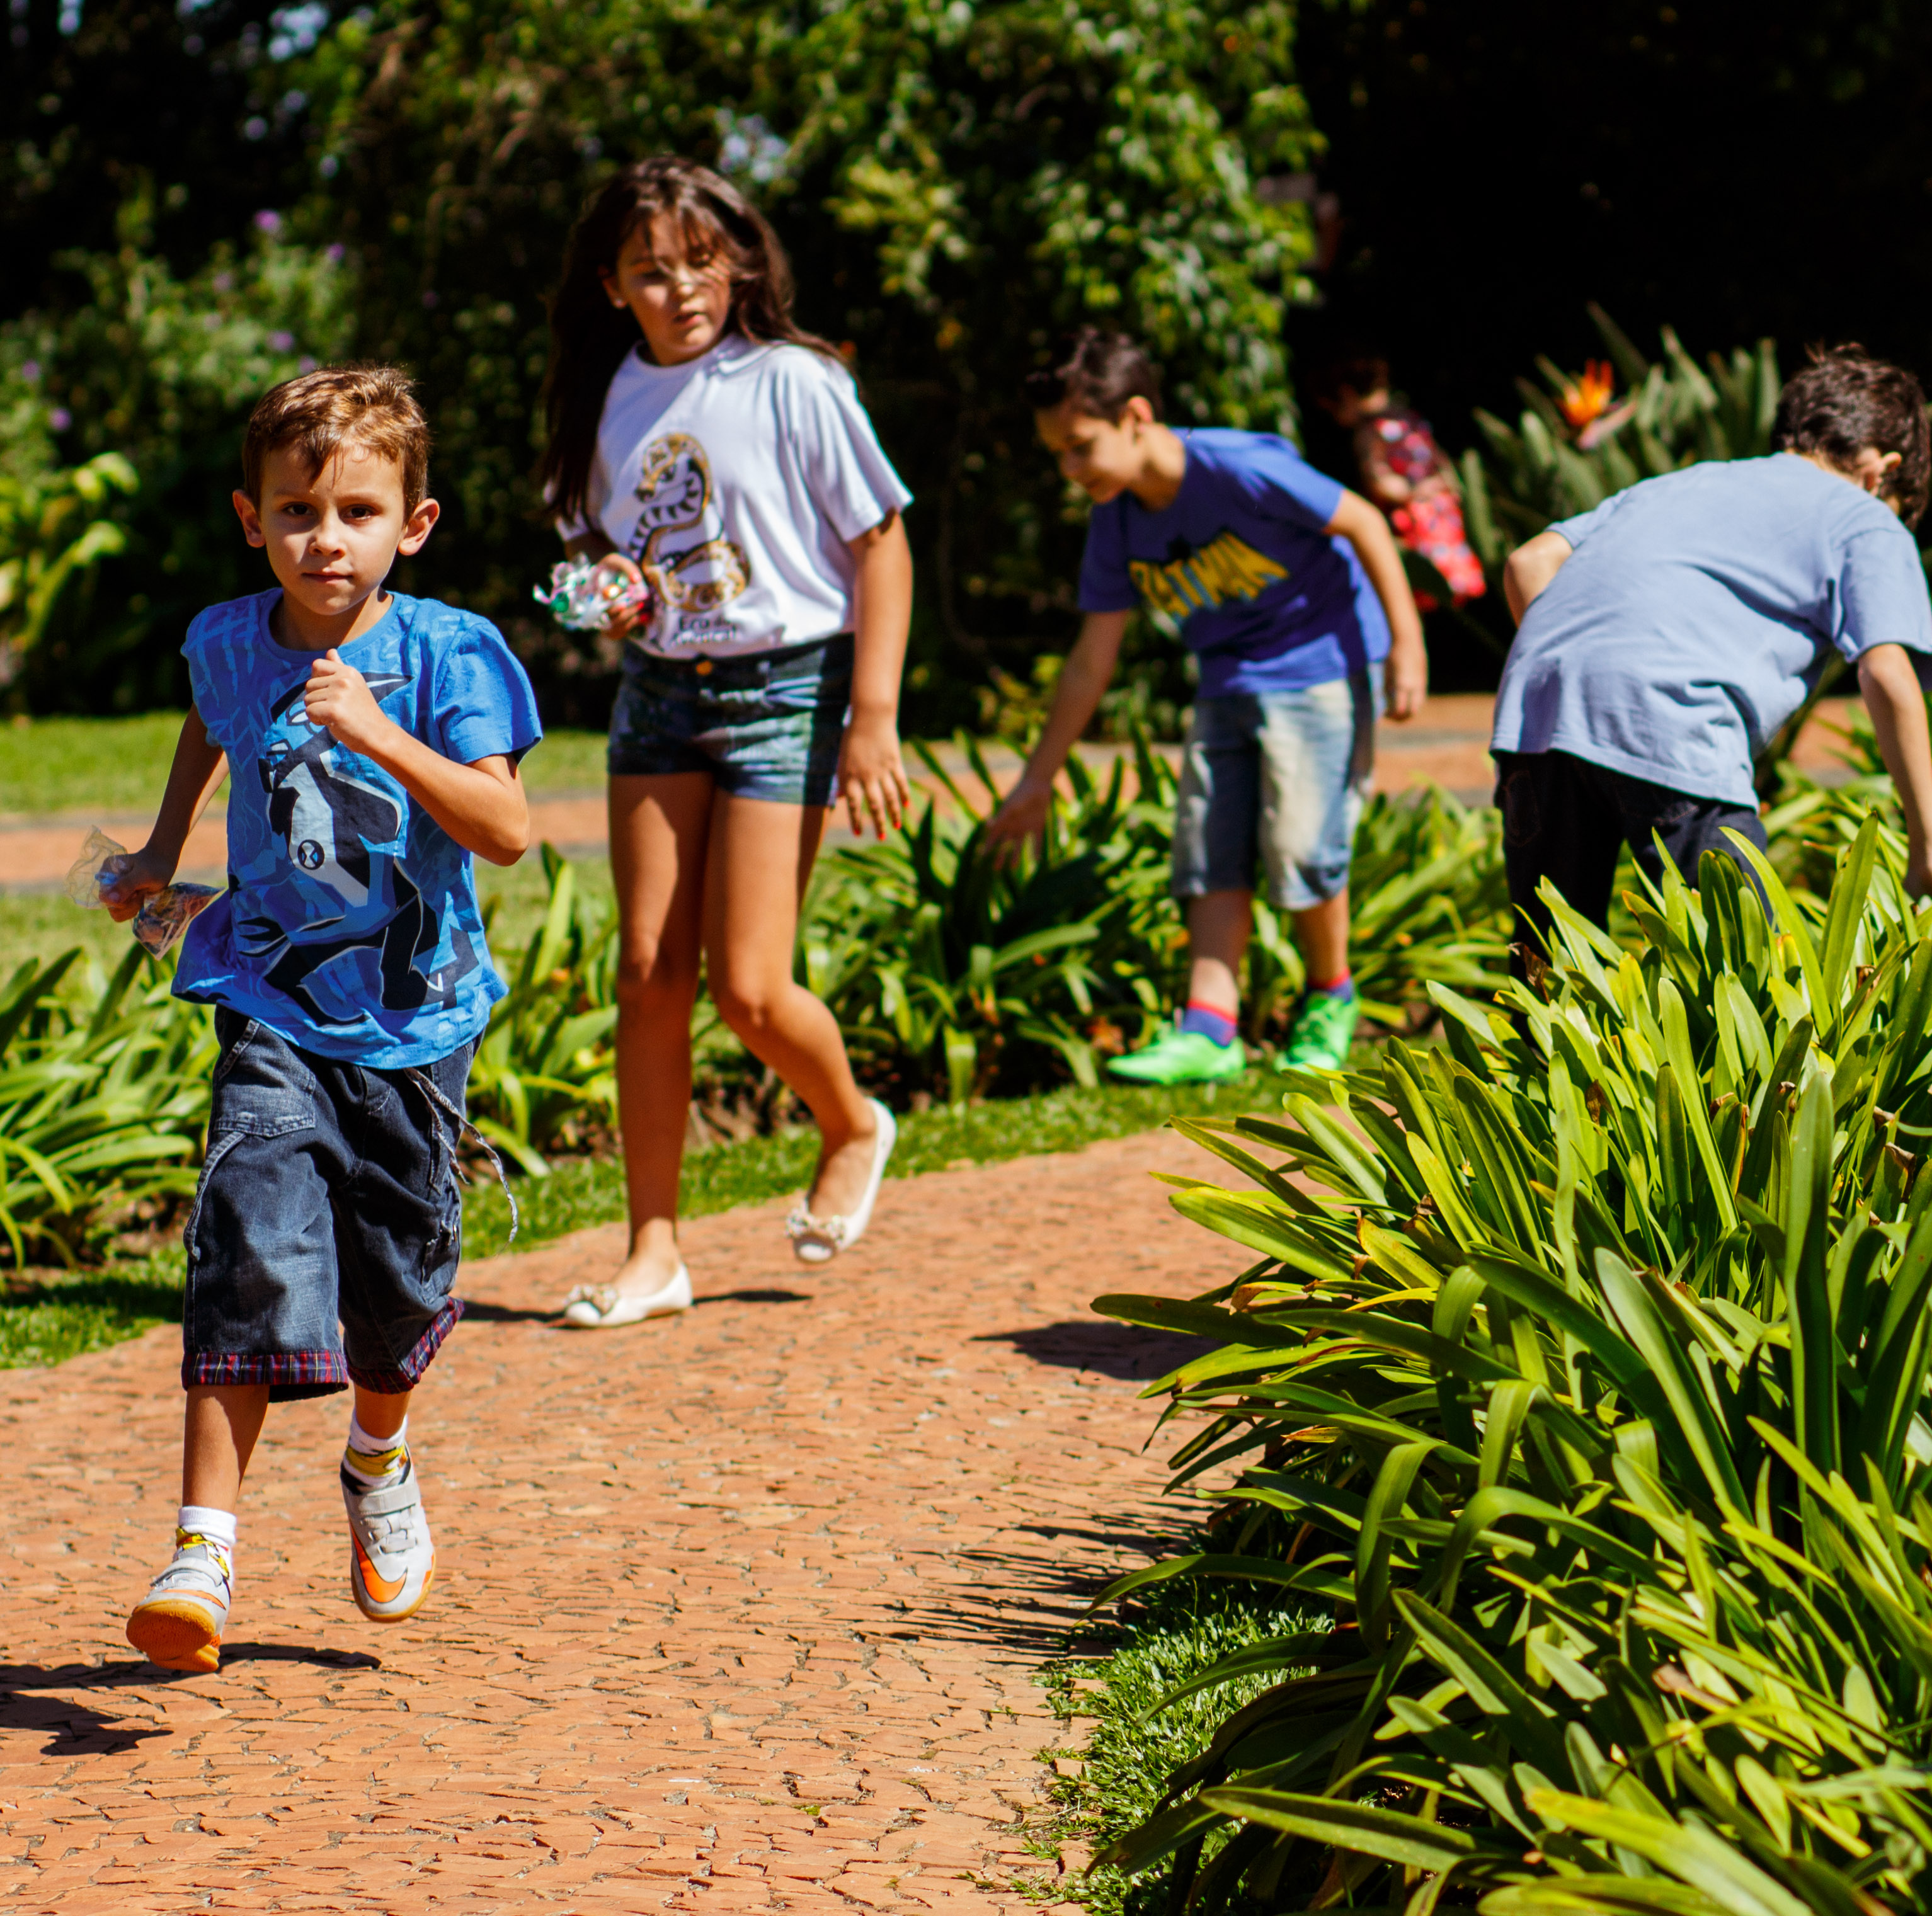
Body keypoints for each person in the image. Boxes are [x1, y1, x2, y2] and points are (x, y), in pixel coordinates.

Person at [105, 364, 540, 1671]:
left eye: (358, 511)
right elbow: (210, 720)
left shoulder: (451, 652)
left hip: (416, 1023)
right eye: (297, 511)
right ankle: (202, 1554)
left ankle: (378, 1455)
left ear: (415, 523)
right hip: (273, 999)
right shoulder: (230, 638)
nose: (326, 539)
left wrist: (377, 733)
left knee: (398, 1293)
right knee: (244, 1232)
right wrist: (164, 847)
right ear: (253, 520)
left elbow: (506, 829)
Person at [538, 156, 917, 1329]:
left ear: (740, 262)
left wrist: (873, 718)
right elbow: (598, 546)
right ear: (613, 286)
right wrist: (607, 590)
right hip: (658, 691)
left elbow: (881, 543)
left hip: (788, 689)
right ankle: (654, 1251)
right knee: (647, 973)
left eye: (702, 262)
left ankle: (851, 1122)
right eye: (651, 271)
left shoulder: (794, 379)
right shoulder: (605, 396)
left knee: (750, 989)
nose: (682, 290)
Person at [990, 328, 1429, 1083]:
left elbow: (1362, 520)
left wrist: (1407, 647)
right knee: (1210, 846)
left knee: (1301, 843)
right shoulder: (1116, 519)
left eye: (1080, 447)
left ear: (1135, 416)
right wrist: (1037, 780)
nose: (1069, 469)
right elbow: (1091, 660)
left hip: (1318, 662)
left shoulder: (1237, 467)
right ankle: (1209, 1029)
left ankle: (1331, 997)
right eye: (1058, 452)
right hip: (1227, 675)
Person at [1490, 345, 1932, 956]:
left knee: (1548, 962)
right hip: (1678, 716)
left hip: (1537, 720)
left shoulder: (1680, 484)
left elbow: (1530, 562)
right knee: (1745, 976)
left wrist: (1590, 683)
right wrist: (1928, 851)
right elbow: (1886, 673)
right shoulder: (1864, 516)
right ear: (1881, 472)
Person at [1315, 351, 1486, 607]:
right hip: (1423, 511)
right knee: (1439, 580)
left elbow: (1378, 476)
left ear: (1347, 395)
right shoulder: (1405, 418)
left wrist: (1430, 487)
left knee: (1445, 575)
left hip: (1428, 513)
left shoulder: (1373, 430)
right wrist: (1423, 490)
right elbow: (1383, 481)